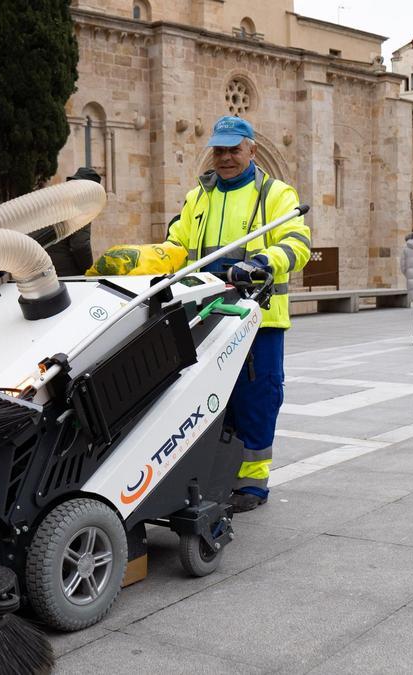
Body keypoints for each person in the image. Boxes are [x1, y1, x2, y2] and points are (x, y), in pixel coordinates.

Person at [165, 116, 310, 512]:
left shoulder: (276, 195)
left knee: (257, 398)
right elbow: (177, 243)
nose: (226, 158)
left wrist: (264, 261)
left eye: (234, 149)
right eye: (219, 150)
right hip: (206, 315)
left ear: (252, 150)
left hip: (258, 319)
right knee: (208, 400)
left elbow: (297, 243)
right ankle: (216, 476)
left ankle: (252, 483)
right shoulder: (199, 197)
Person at [45, 167, 103, 276]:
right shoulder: (82, 206)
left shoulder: (56, 202)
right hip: (66, 275)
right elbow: (80, 245)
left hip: (45, 271)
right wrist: (88, 272)